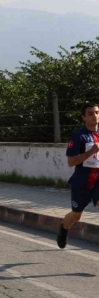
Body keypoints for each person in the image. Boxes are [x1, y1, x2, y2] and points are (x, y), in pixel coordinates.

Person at [57, 103, 99, 249]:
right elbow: (71, 161)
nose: (95, 116)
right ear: (84, 117)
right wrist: (91, 151)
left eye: (97, 112)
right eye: (90, 113)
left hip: (98, 180)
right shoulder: (79, 136)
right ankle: (63, 228)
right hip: (82, 182)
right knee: (76, 216)